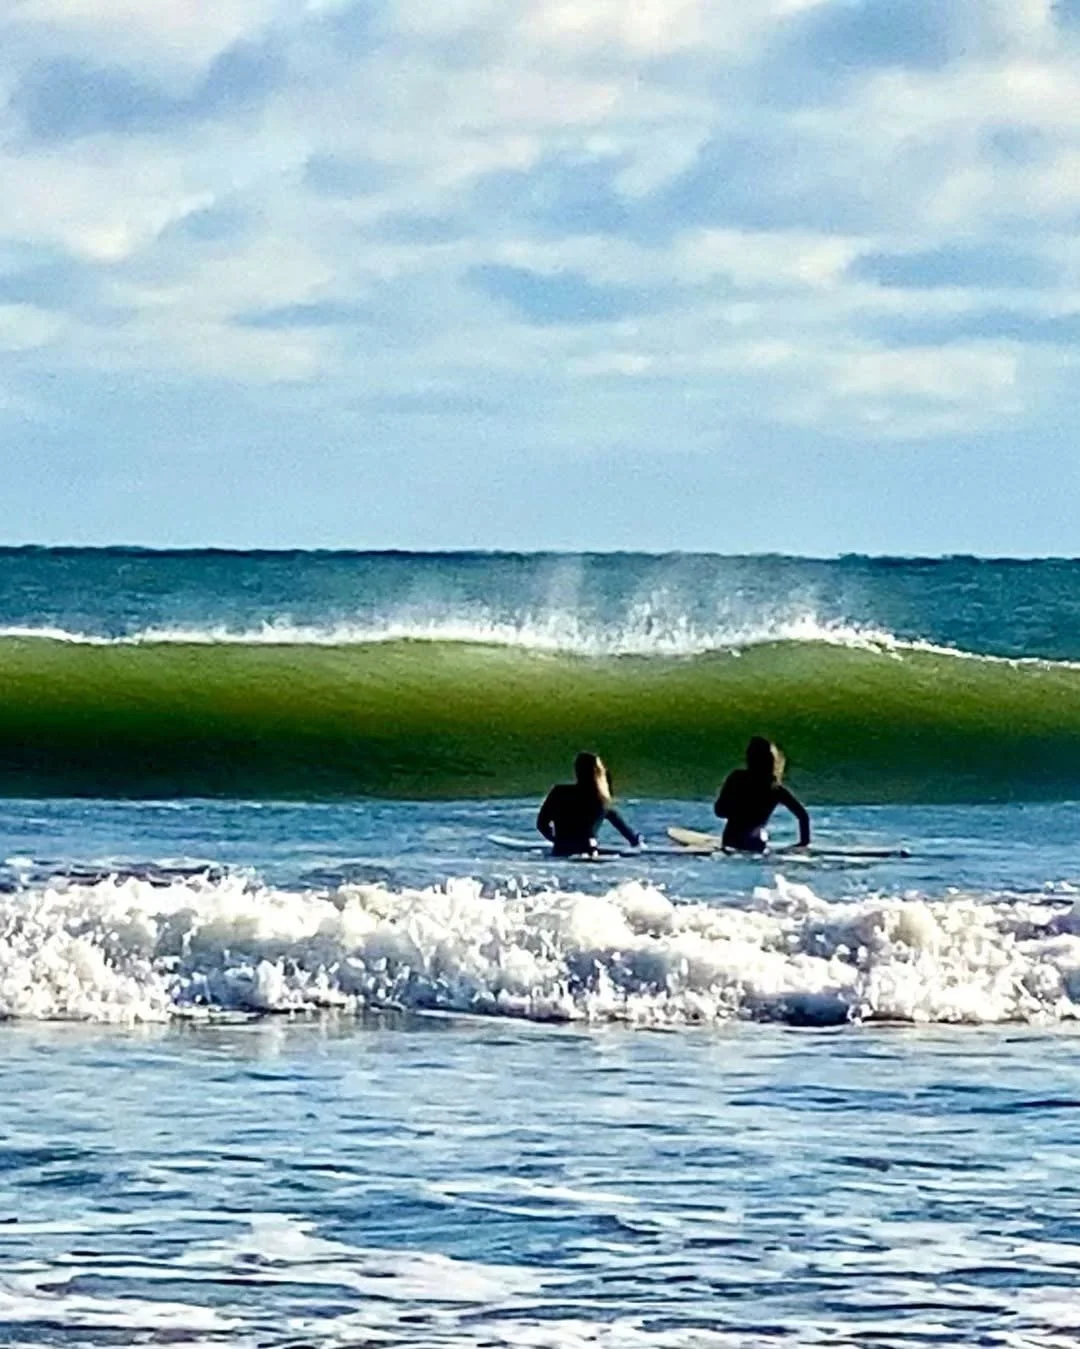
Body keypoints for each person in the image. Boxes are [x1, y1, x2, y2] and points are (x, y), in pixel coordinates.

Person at [714, 737, 810, 853]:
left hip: (732, 840)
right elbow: (802, 815)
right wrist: (803, 843)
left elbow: (719, 811)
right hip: (757, 843)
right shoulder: (775, 789)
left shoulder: (737, 778)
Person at [536, 752, 641, 856]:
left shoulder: (559, 792)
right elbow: (625, 830)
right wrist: (636, 842)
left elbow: (542, 824)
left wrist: (556, 840)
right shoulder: (600, 799)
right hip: (589, 851)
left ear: (577, 770)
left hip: (562, 850)